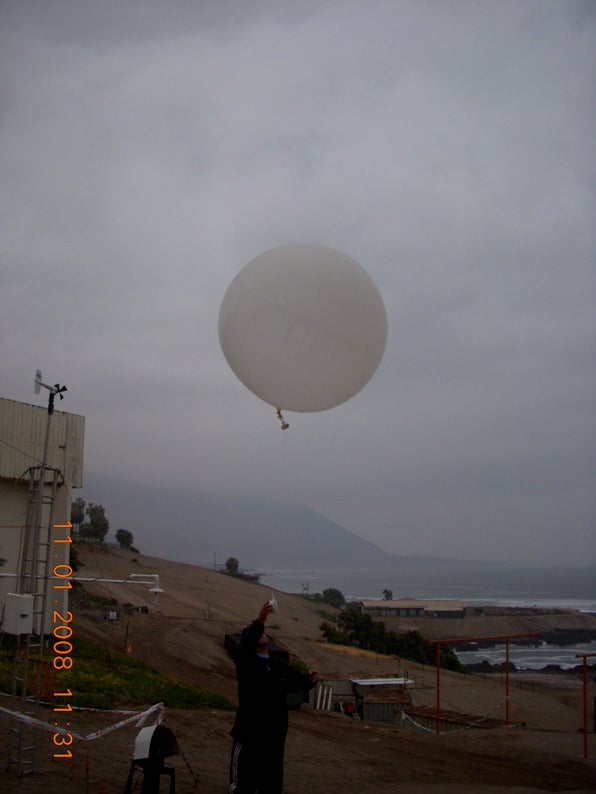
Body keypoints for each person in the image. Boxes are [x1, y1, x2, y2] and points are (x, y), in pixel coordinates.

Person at [229, 601, 319, 793]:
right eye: (257, 633)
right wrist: (261, 619)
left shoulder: (277, 665)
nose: (262, 634)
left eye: (264, 632)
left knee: (271, 787)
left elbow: (295, 681)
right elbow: (246, 644)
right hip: (249, 735)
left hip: (274, 738)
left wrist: (310, 680)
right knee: (242, 788)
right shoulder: (246, 663)